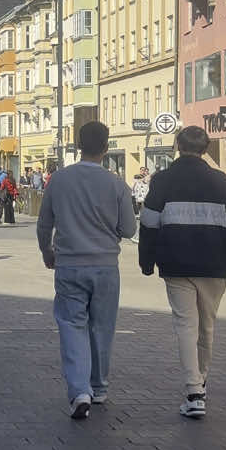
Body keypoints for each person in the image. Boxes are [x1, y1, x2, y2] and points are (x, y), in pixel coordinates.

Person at [138, 125, 226, 419]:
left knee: (185, 325)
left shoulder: (163, 181)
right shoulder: (222, 181)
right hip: (213, 266)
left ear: (177, 146)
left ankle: (193, 391)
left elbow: (148, 224)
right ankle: (201, 383)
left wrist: (146, 261)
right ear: (206, 149)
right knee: (206, 327)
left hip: (176, 264)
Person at [37, 121, 136, 419]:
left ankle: (80, 390)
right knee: (102, 327)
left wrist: (47, 250)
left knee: (71, 325)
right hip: (106, 266)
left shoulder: (59, 179)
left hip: (69, 264)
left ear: (79, 146)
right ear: (106, 148)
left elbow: (45, 223)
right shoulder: (117, 183)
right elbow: (129, 228)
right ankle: (100, 386)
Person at [129, 167, 150, 243]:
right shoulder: (137, 184)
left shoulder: (146, 185)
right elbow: (132, 191)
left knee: (142, 218)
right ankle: (137, 236)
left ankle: (140, 235)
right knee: (138, 218)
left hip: (143, 201)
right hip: (138, 201)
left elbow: (147, 192)